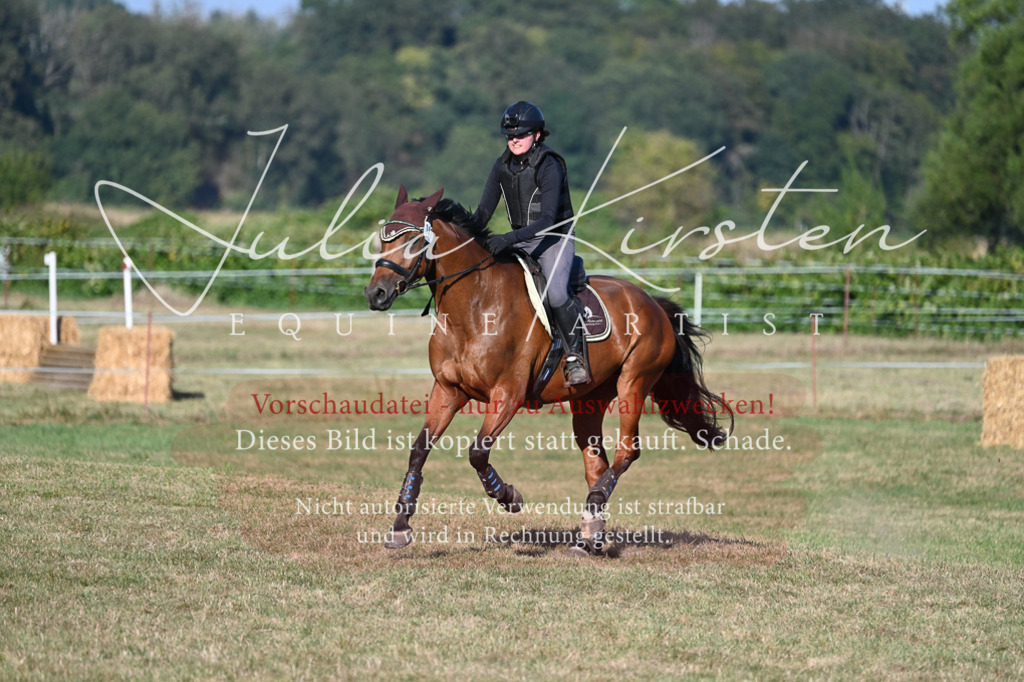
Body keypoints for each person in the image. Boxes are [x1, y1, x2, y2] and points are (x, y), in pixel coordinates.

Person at [474, 100, 590, 386]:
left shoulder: (550, 165)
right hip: (520, 240)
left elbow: (548, 219)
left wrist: (507, 239)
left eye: (521, 135)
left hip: (554, 239)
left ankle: (576, 357)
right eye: (510, 136)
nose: (514, 140)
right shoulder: (501, 166)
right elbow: (483, 213)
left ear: (537, 135)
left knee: (555, 295)